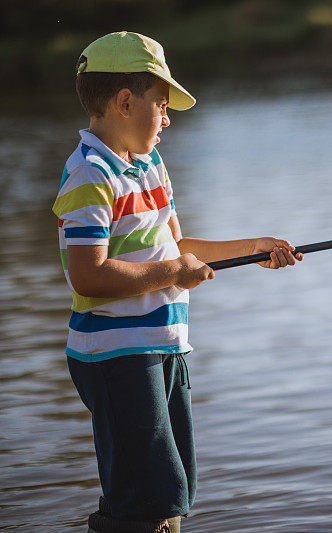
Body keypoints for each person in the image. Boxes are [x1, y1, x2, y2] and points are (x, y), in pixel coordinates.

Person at [52, 31, 302, 533]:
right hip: (116, 358)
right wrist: (175, 274)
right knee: (148, 502)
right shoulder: (89, 175)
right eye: (161, 106)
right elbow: (88, 275)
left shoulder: (150, 167)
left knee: (175, 489)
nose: (167, 120)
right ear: (125, 102)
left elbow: (178, 250)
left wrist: (250, 250)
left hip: (163, 349)